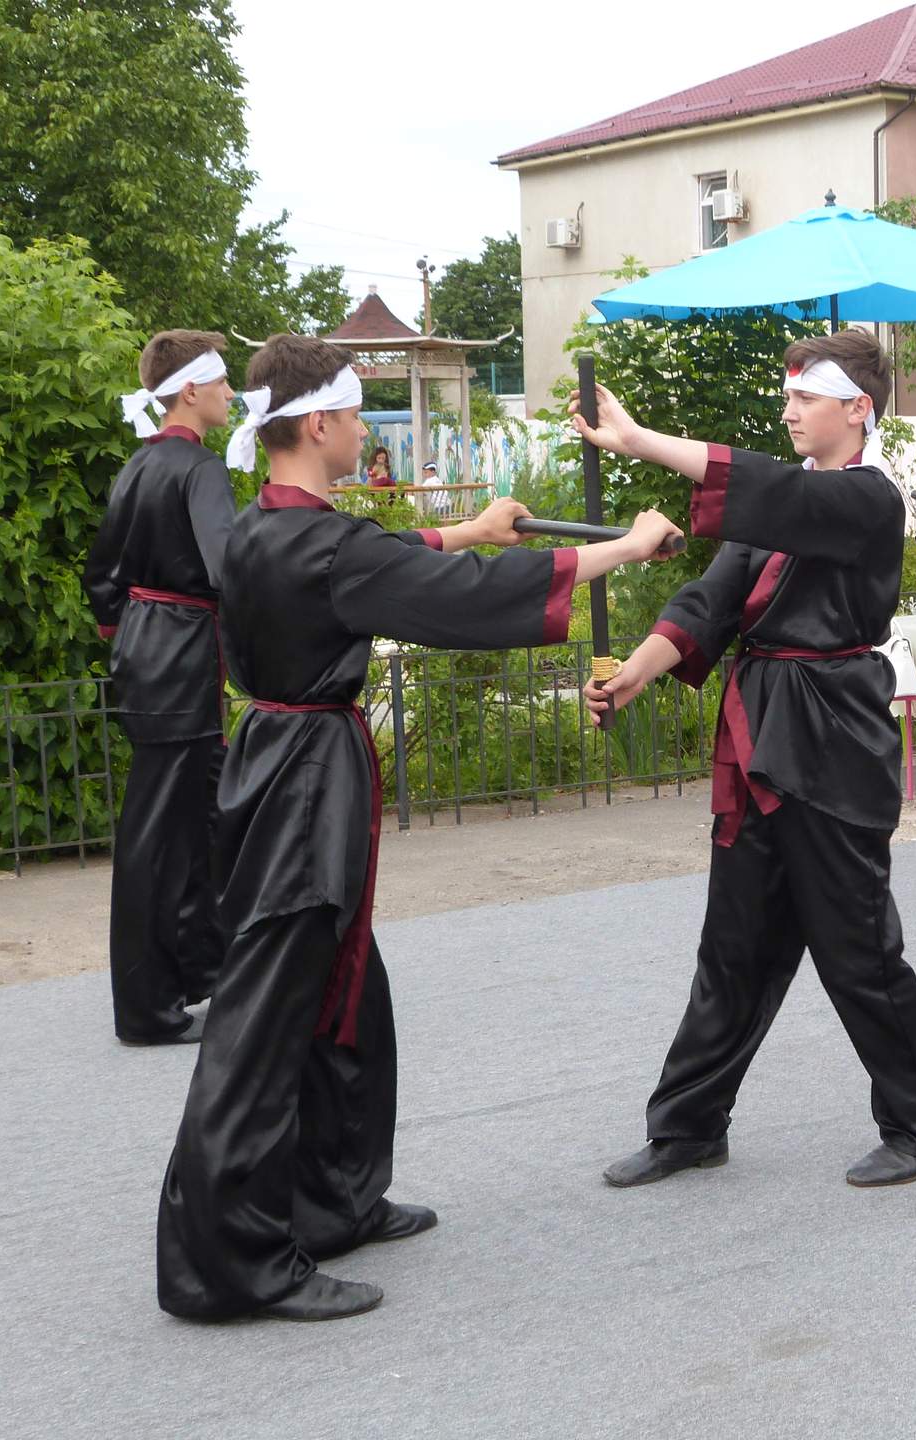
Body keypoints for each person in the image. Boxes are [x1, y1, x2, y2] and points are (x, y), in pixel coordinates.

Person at [156, 333, 681, 1323]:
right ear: (319, 424)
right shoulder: (319, 545)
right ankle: (231, 1262)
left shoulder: (263, 529)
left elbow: (383, 562)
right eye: (357, 416)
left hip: (281, 765)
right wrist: (625, 545)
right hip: (306, 785)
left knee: (346, 990)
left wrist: (475, 528)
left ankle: (335, 1199)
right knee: (269, 1016)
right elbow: (445, 598)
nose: (364, 431)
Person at [574, 330, 916, 1191]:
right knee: (734, 945)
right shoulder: (787, 510)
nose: (788, 412)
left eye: (805, 399)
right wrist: (637, 671)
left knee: (857, 947)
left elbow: (775, 494)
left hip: (830, 739)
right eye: (786, 399)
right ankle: (687, 1125)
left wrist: (638, 442)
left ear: (858, 408)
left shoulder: (867, 499)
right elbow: (712, 601)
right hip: (761, 732)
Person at [84, 330, 238, 1045]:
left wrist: (136, 641)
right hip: (180, 659)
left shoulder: (136, 467)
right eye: (223, 381)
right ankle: (146, 1009)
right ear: (190, 390)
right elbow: (228, 569)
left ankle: (202, 971)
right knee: (161, 838)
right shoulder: (199, 470)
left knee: (203, 820)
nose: (232, 394)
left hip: (149, 656)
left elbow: (102, 586)